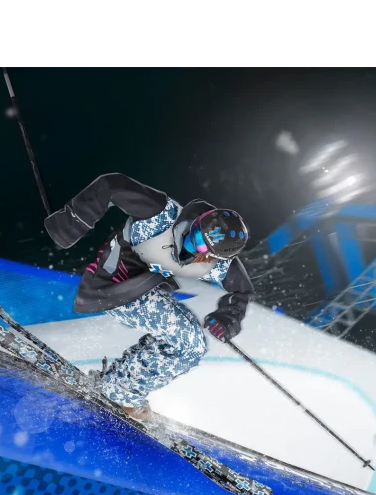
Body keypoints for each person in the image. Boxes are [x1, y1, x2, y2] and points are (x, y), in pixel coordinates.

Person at [44, 172, 252, 421]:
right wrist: (72, 222)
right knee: (189, 342)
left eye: (200, 246)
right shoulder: (161, 216)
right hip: (111, 286)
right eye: (195, 232)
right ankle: (121, 393)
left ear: (214, 256)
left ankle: (118, 381)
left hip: (144, 291)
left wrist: (228, 317)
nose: (190, 241)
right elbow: (111, 184)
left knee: (187, 341)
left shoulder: (217, 265)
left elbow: (241, 290)